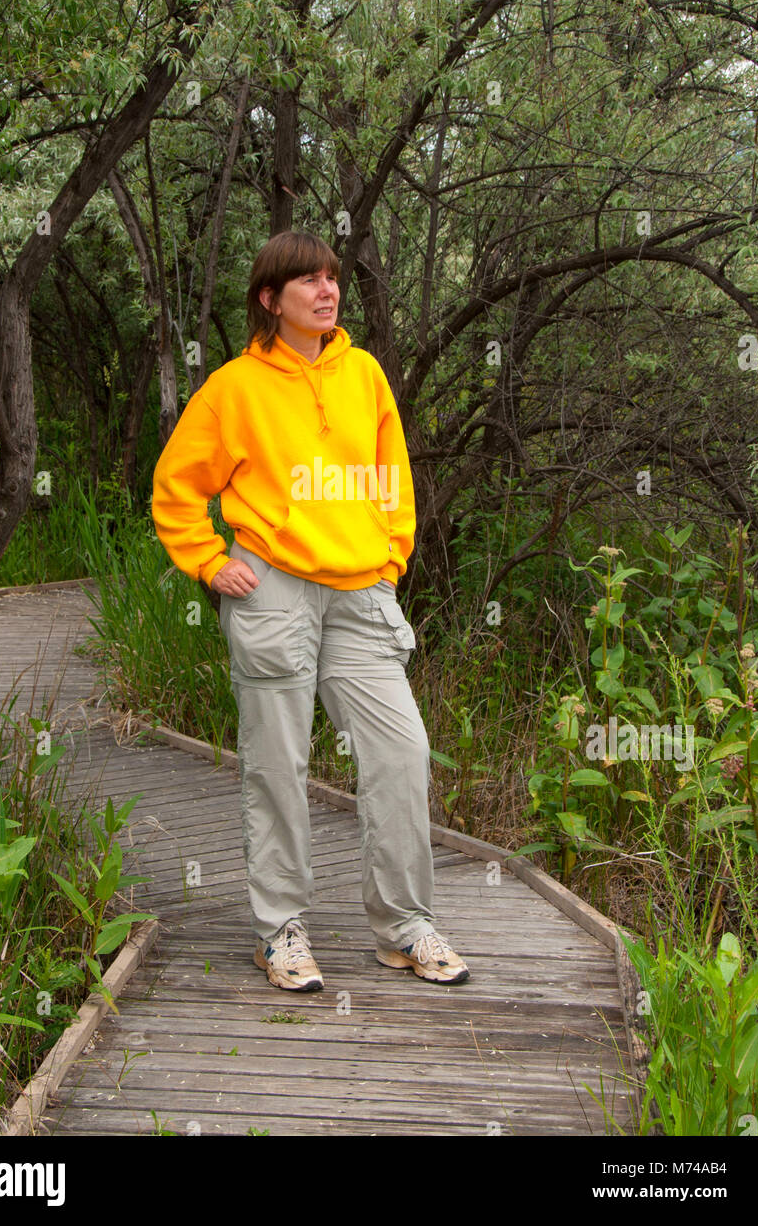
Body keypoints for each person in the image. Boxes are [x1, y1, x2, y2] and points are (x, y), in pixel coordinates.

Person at [151, 230, 468, 990]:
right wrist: (208, 559)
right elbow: (176, 485)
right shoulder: (233, 388)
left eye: (331, 279)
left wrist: (390, 559)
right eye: (308, 282)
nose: (326, 291)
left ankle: (403, 925)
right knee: (276, 765)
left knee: (400, 753)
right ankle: (280, 931)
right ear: (270, 300)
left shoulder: (363, 375)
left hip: (362, 593)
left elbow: (393, 478)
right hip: (273, 592)